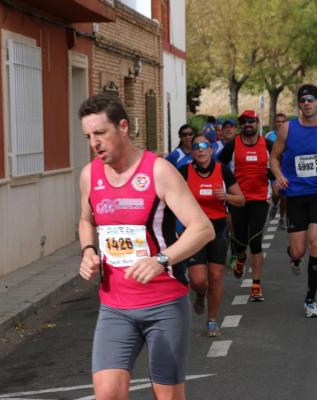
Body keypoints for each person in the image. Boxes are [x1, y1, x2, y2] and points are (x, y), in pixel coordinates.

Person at [77, 94, 214, 400]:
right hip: (115, 307)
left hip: (163, 305)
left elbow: (202, 228)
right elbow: (86, 220)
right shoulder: (90, 176)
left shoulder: (158, 171)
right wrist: (88, 250)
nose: (94, 143)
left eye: (100, 133)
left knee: (167, 396)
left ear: (123, 127)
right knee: (108, 395)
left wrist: (161, 259)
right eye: (88, 136)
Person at [270, 84, 317, 318]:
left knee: (316, 243)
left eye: (311, 100)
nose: (307, 103)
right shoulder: (287, 129)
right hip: (295, 196)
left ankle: (310, 299)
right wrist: (279, 176)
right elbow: (274, 157)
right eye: (302, 100)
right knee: (298, 250)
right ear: (299, 104)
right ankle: (294, 258)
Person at [180, 133, 245, 336]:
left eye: (204, 146)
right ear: (191, 151)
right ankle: (200, 292)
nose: (200, 149)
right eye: (196, 146)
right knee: (198, 280)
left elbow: (241, 199)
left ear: (211, 150)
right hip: (194, 230)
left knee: (216, 276)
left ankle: (212, 320)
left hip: (217, 229)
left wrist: (225, 196)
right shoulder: (184, 172)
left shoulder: (223, 171)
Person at [218, 109, 274, 302]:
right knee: (240, 240)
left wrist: (276, 179)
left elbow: (277, 166)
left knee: (256, 240)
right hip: (238, 199)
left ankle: (256, 285)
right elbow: (220, 167)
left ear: (257, 123)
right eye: (244, 122)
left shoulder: (267, 144)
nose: (247, 124)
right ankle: (240, 258)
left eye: (251, 121)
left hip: (260, 199)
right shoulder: (233, 145)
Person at [266, 113, 288, 228]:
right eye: (278, 121)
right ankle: (274, 205)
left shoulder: (291, 135)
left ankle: (282, 218)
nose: (280, 124)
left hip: (286, 169)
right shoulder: (269, 136)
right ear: (274, 123)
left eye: (283, 122)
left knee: (284, 196)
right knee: (276, 193)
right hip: (274, 169)